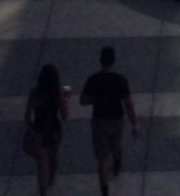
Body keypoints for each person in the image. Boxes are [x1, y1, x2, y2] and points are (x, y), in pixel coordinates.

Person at [80, 44, 139, 195]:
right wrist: (134, 123)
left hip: (99, 120)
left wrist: (97, 98)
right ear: (114, 61)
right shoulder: (121, 80)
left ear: (101, 61)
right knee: (116, 143)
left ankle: (104, 190)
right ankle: (118, 162)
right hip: (117, 119)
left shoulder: (93, 80)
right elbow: (128, 104)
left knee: (102, 158)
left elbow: (83, 101)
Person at [23, 61, 69, 196]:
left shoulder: (35, 93)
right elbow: (64, 116)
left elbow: (27, 115)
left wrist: (30, 127)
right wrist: (66, 102)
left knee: (42, 165)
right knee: (53, 156)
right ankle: (52, 177)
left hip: (39, 130)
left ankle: (43, 191)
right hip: (54, 130)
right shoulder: (57, 94)